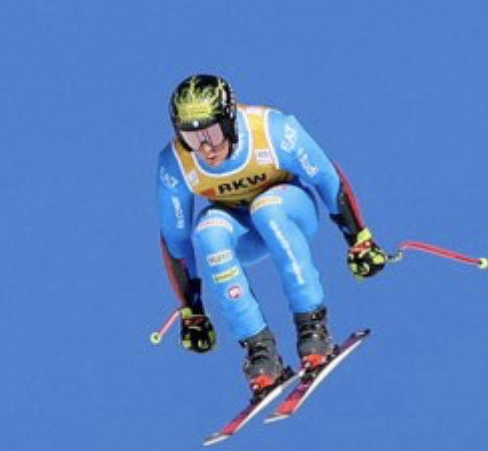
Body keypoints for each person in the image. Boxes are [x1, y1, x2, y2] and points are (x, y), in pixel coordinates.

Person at [157, 74, 390, 396]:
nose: (206, 148)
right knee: (207, 232)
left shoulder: (272, 129)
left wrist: (359, 239)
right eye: (192, 138)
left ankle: (312, 329)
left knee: (266, 208)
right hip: (244, 232)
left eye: (212, 133)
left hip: (290, 211)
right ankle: (260, 352)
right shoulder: (175, 163)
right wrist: (192, 311)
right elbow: (176, 238)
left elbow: (327, 178)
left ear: (229, 120)